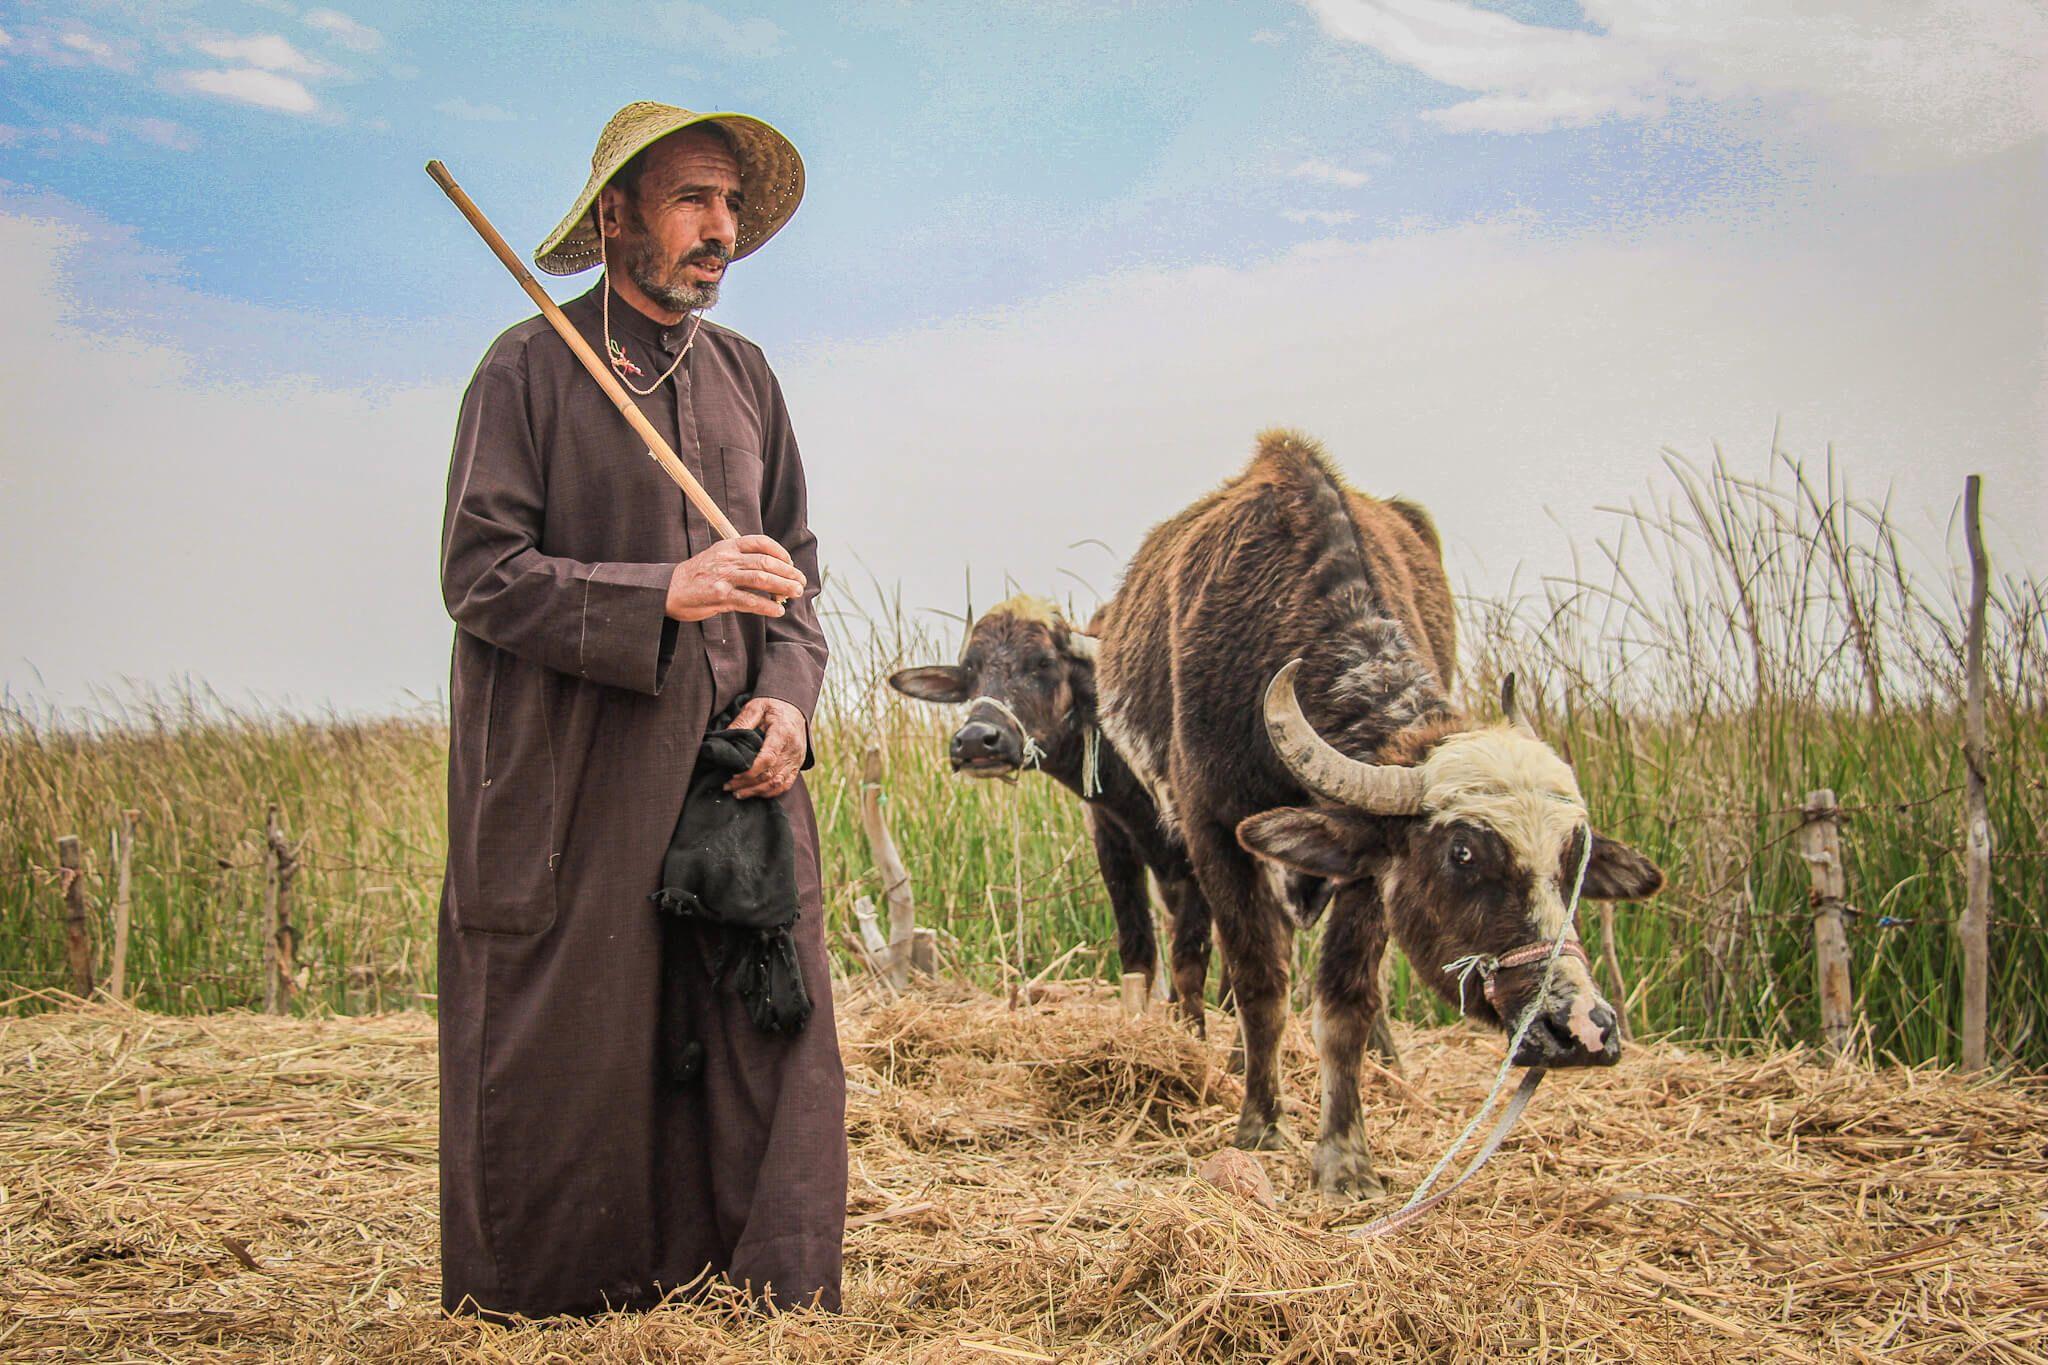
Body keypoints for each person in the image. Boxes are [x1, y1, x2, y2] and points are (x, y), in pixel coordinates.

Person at [436, 101, 844, 1318]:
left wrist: (787, 705)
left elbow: (794, 586)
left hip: (730, 779)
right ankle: (568, 1309)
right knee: (579, 1045)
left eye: (729, 205)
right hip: (581, 783)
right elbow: (480, 577)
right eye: (690, 201)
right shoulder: (528, 368)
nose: (719, 230)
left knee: (766, 1042)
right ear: (614, 218)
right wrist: (657, 591)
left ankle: (761, 1306)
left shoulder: (746, 377)